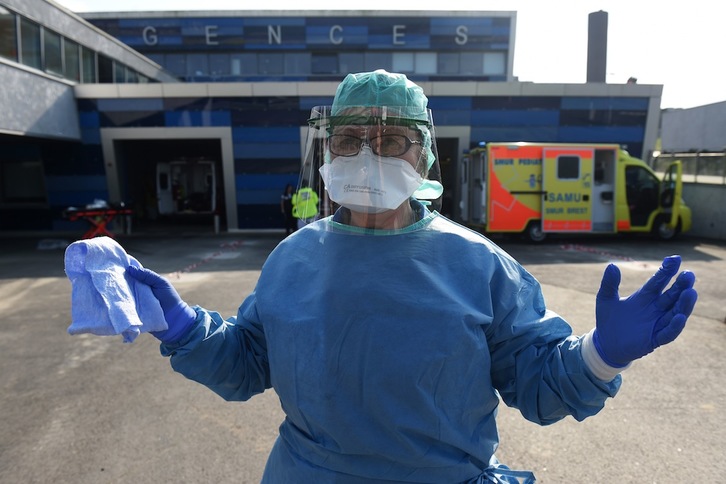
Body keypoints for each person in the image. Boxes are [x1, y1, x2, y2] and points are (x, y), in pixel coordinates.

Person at [124, 70, 697, 483]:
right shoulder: (293, 259)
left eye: (390, 140)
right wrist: (183, 330)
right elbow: (249, 361)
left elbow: (540, 381)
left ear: (421, 156)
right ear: (327, 152)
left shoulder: (477, 264)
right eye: (350, 140)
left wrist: (600, 356)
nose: (367, 155)